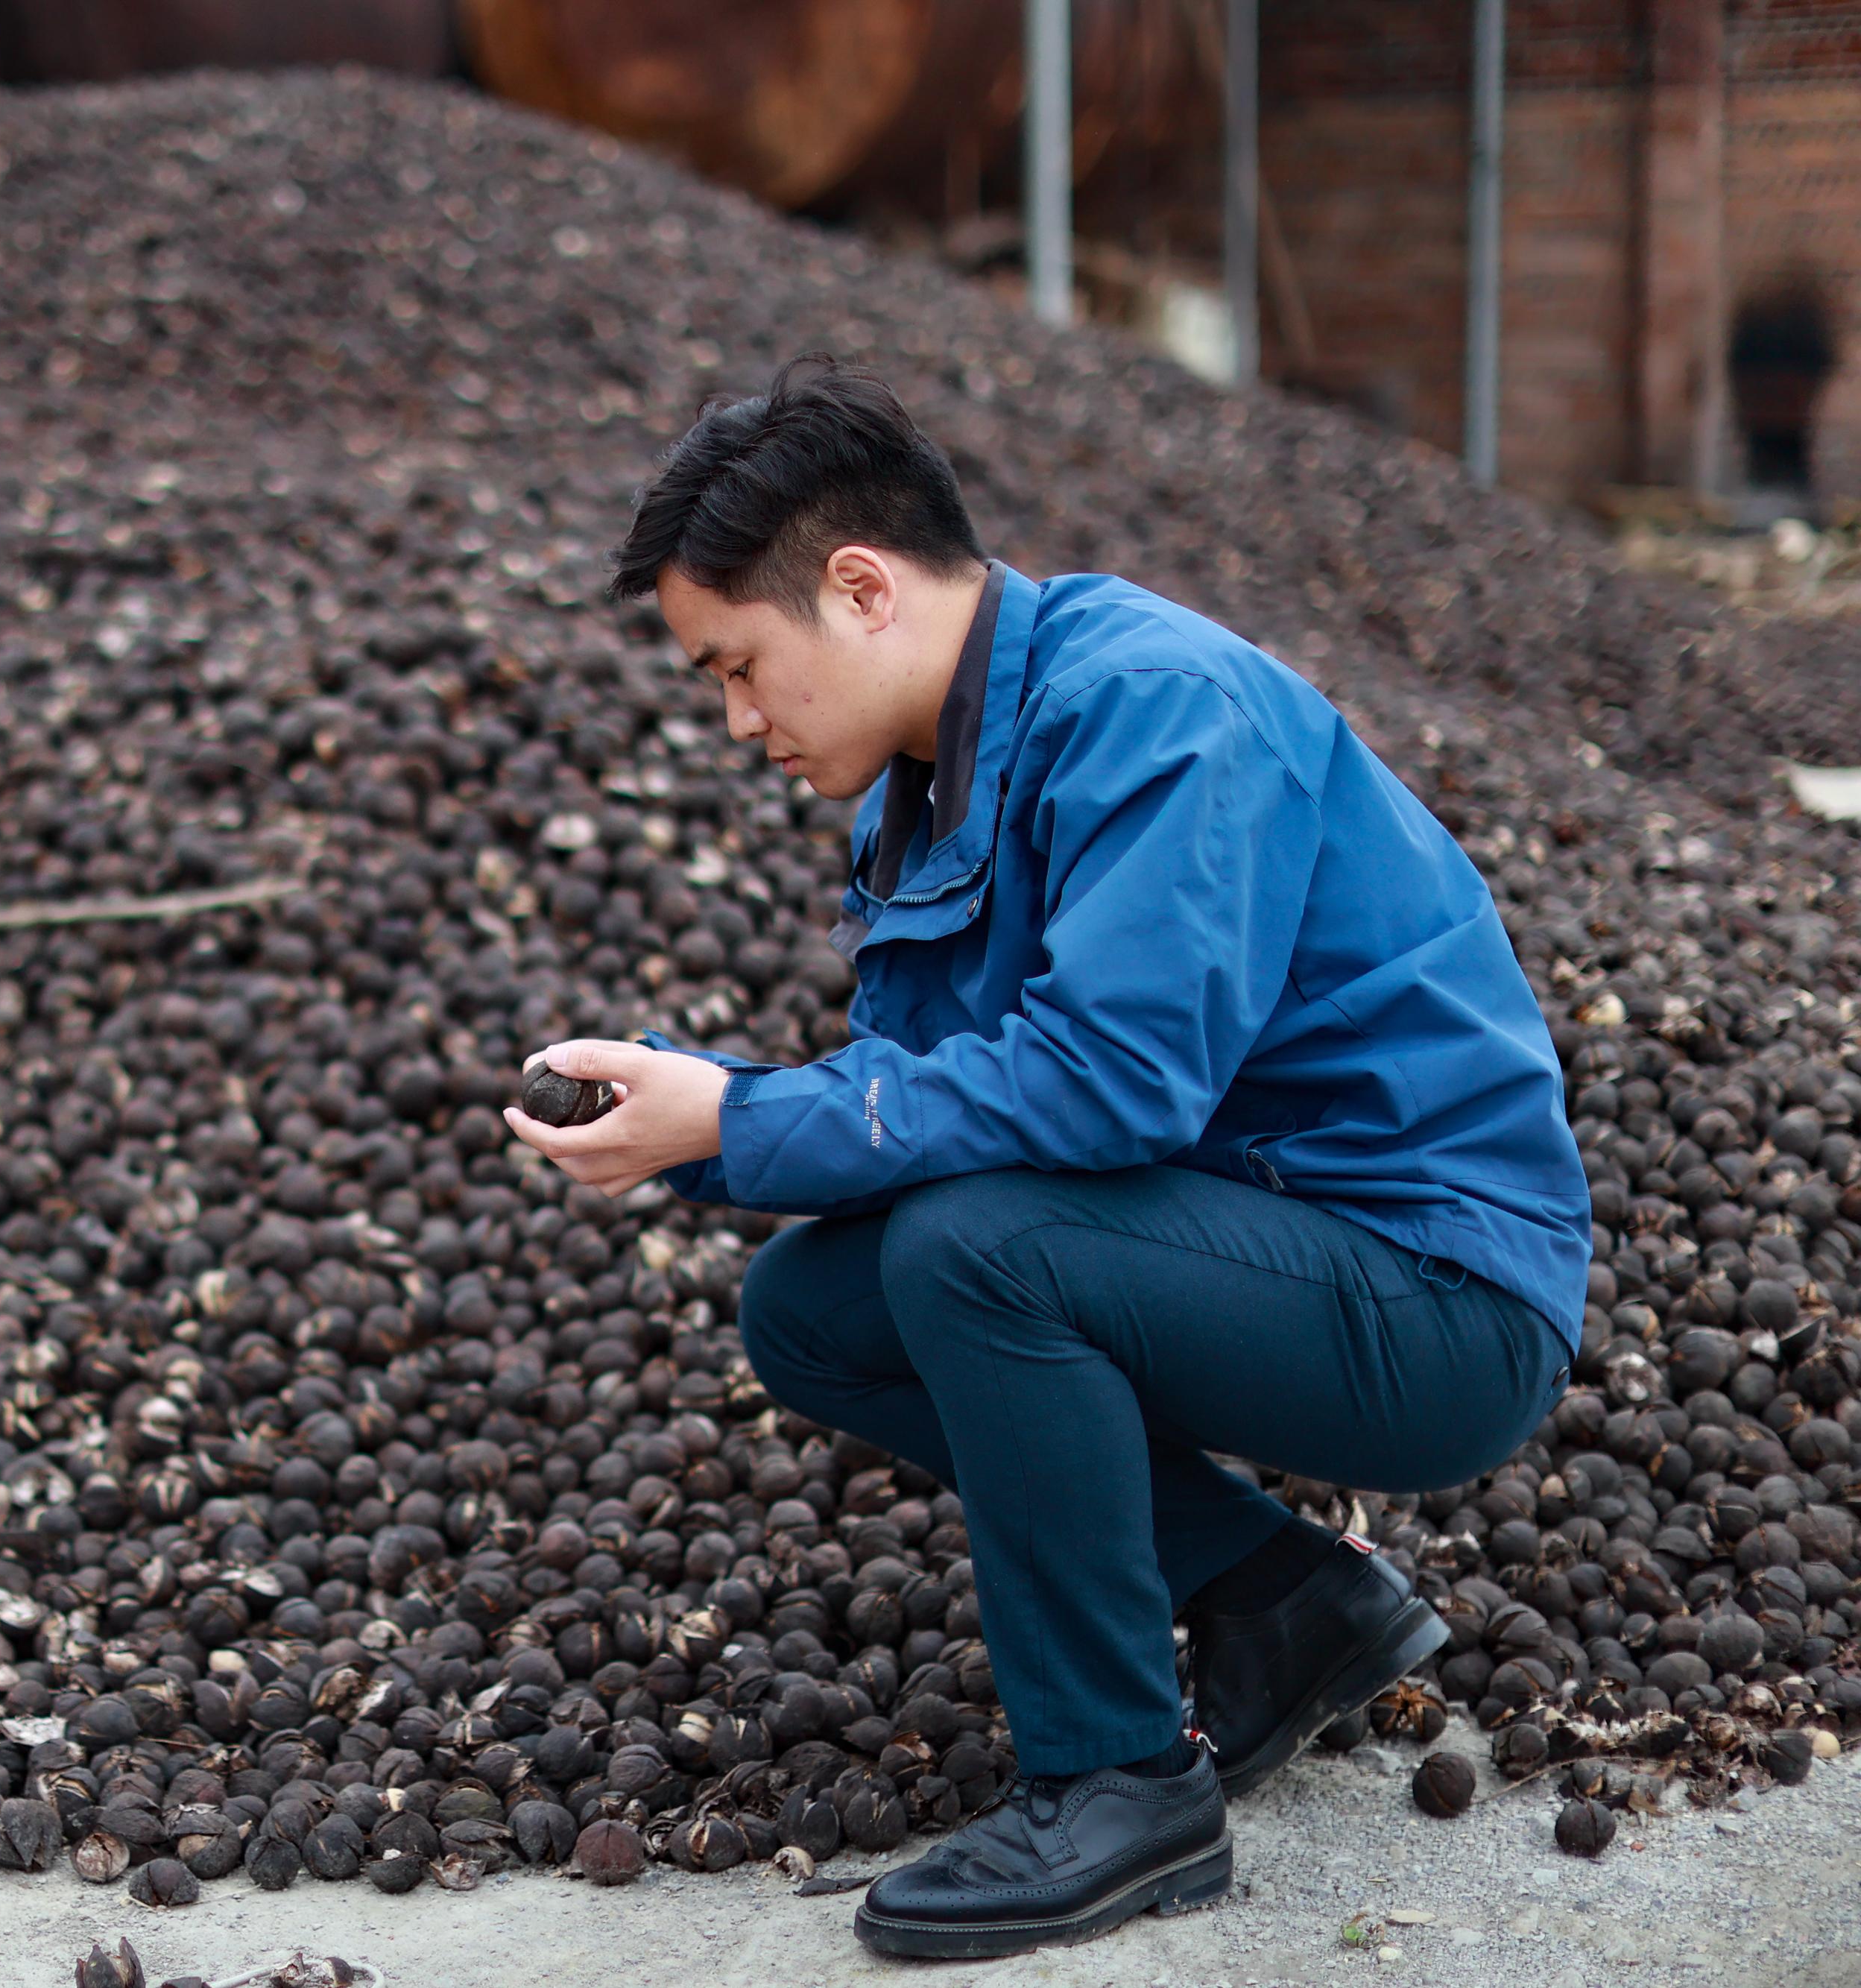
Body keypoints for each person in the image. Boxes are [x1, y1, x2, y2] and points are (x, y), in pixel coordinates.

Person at [503, 356, 1588, 1960]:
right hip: (1248, 1248)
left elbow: (1115, 1085)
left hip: (1433, 1298)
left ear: (857, 588)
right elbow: (940, 1094)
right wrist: (700, 1121)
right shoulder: (934, 781)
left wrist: (742, 1117)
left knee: (975, 1248)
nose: (736, 721)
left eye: (736, 666)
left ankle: (1120, 1782)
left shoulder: (1148, 707)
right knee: (814, 1306)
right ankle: (1286, 1600)